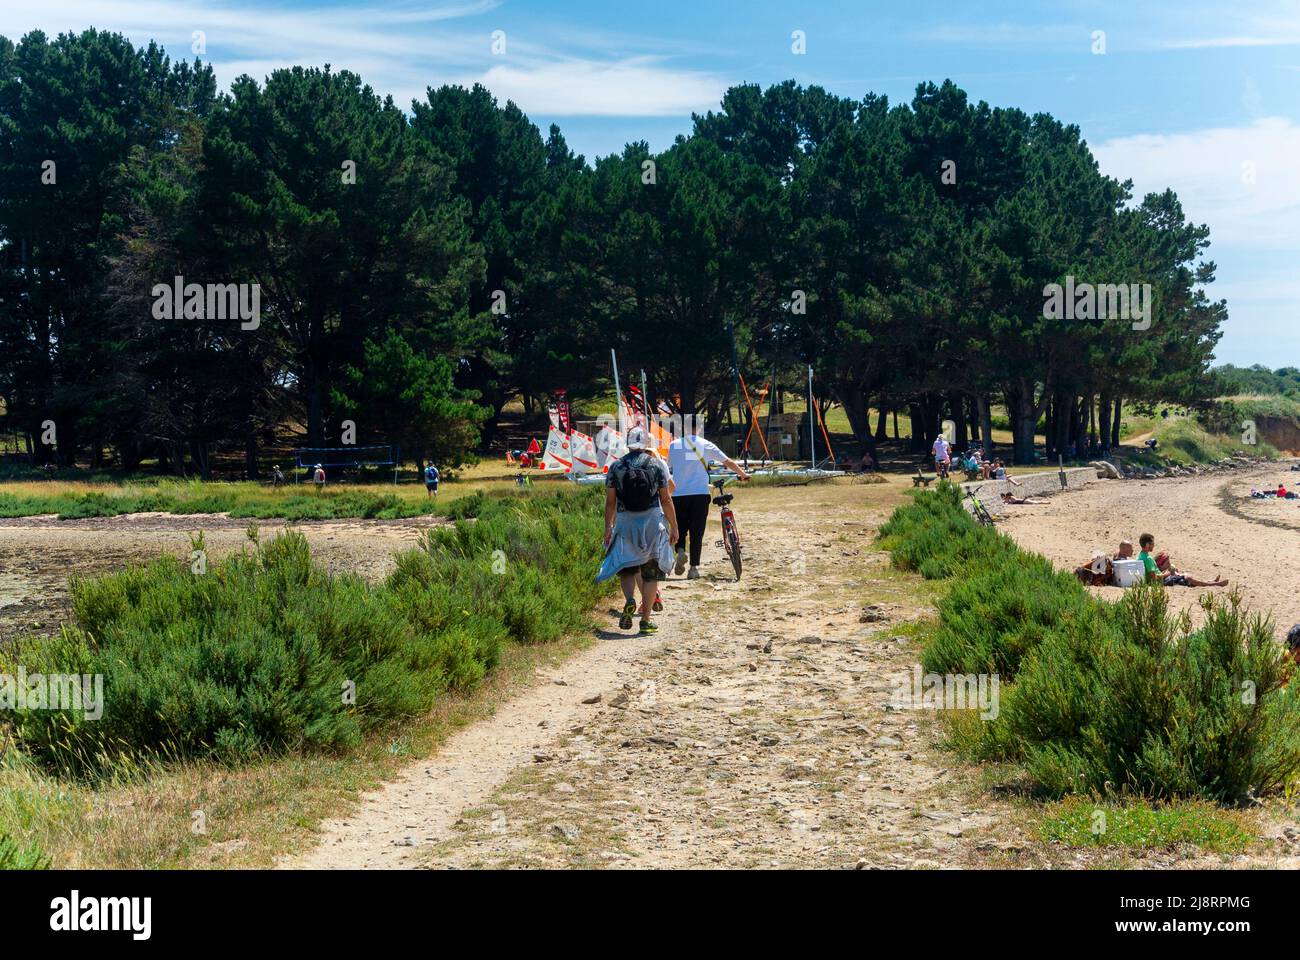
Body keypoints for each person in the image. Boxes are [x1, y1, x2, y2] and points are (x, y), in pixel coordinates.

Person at [598, 427, 679, 635]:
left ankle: (630, 599)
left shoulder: (616, 467)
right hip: (652, 521)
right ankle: (645, 621)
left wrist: (608, 528)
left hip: (625, 522)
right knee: (651, 572)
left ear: (628, 443)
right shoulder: (655, 464)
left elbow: (610, 503)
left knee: (627, 567)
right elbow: (666, 499)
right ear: (645, 444)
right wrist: (674, 526)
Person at [667, 429, 750, 579]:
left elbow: (670, 468)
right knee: (697, 531)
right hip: (700, 493)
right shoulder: (705, 444)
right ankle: (693, 569)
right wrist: (743, 474)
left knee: (680, 527)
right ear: (698, 429)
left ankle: (680, 552)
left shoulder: (674, 445)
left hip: (679, 494)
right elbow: (728, 462)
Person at [1154, 551, 1228, 588]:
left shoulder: (1165, 569)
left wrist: (1174, 570)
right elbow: (1163, 577)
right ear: (1160, 565)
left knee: (1199, 582)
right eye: (1167, 563)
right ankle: (1216, 584)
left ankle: (1212, 581)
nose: (1169, 564)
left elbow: (1175, 573)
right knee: (1198, 583)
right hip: (1183, 580)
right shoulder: (1160, 572)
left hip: (1182, 578)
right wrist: (1171, 572)